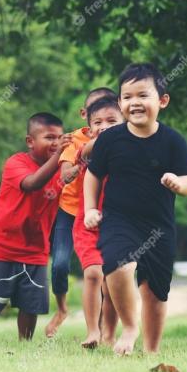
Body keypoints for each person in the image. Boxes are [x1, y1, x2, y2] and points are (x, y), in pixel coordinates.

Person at [83, 63, 187, 355]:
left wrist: (178, 184)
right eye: (127, 96)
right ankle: (130, 327)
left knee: (155, 293)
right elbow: (92, 175)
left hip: (160, 226)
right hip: (118, 220)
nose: (134, 102)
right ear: (120, 103)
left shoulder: (173, 141)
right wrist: (89, 209)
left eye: (142, 95)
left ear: (162, 100)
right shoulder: (110, 139)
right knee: (118, 265)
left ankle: (152, 351)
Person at [0, 112, 71, 340]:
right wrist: (58, 157)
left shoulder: (61, 168)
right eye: (49, 137)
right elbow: (32, 183)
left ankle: (24, 342)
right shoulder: (16, 163)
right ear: (30, 141)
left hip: (36, 244)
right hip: (3, 240)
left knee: (32, 299)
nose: (55, 143)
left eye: (59, 138)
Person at [45, 87, 117, 338]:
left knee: (106, 274)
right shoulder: (75, 140)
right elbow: (64, 174)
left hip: (106, 212)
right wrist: (78, 165)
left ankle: (101, 327)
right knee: (61, 264)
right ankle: (63, 309)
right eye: (96, 115)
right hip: (71, 210)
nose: (103, 121)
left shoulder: (122, 137)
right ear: (85, 115)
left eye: (110, 114)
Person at [72, 97, 123, 348]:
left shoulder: (129, 151)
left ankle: (109, 333)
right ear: (90, 128)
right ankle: (92, 331)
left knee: (112, 281)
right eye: (98, 122)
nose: (104, 126)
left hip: (118, 227)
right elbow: (85, 151)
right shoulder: (88, 150)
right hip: (88, 225)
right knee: (93, 274)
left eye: (112, 121)